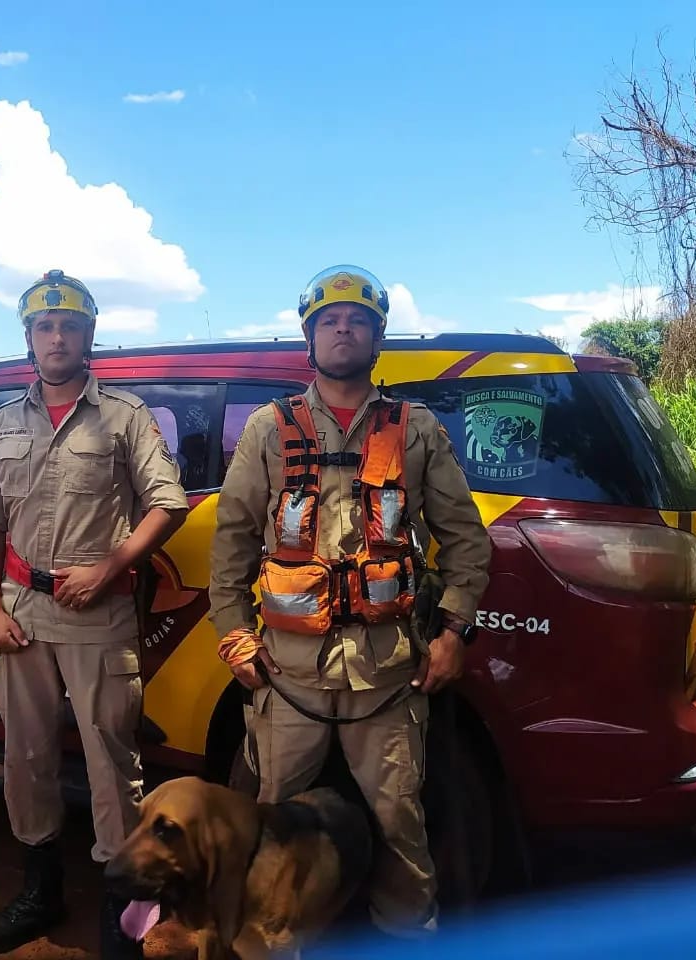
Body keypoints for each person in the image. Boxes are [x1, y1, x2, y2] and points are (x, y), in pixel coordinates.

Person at [208, 265, 492, 937]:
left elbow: (466, 541)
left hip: (386, 677)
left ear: (376, 336)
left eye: (357, 320)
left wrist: (454, 631)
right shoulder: (269, 428)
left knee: (400, 826)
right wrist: (233, 634)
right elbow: (232, 540)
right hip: (288, 673)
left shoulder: (413, 427)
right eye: (330, 320)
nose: (343, 329)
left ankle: (404, 939)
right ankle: (272, 944)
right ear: (309, 336)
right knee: (273, 825)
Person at [0, 270, 189, 958]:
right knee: (25, 758)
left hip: (99, 611)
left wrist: (110, 566)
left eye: (69, 325)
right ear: (29, 339)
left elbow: (169, 502)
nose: (56, 337)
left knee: (110, 763)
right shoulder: (6, 422)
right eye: (43, 326)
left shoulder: (125, 415)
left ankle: (126, 913)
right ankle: (41, 891)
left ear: (89, 335)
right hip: (22, 610)